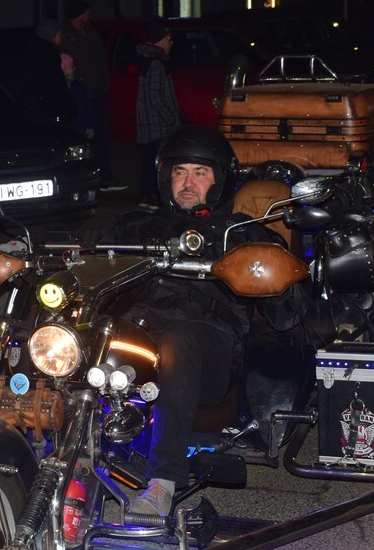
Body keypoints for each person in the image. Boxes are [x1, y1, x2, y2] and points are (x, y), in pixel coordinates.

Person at [104, 126, 293, 517]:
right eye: (180, 172)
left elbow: (287, 315)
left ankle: (163, 482)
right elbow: (85, 255)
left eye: (200, 173)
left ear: (219, 179)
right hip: (138, 340)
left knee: (181, 338)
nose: (188, 183)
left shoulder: (241, 234)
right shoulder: (136, 226)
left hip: (209, 352)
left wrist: (272, 273)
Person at [60, 0, 127, 191]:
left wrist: (104, 83)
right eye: (87, 13)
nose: (91, 17)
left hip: (98, 93)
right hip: (82, 95)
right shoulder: (65, 35)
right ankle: (90, 179)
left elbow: (100, 58)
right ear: (80, 15)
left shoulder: (90, 32)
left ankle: (105, 177)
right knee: (85, 139)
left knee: (102, 137)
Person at [134, 24, 179, 210]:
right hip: (157, 124)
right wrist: (170, 118)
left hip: (151, 121)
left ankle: (146, 196)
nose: (171, 42)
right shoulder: (156, 63)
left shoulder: (150, 59)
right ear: (161, 39)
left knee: (150, 160)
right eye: (169, 39)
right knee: (156, 161)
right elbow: (155, 95)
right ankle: (152, 197)